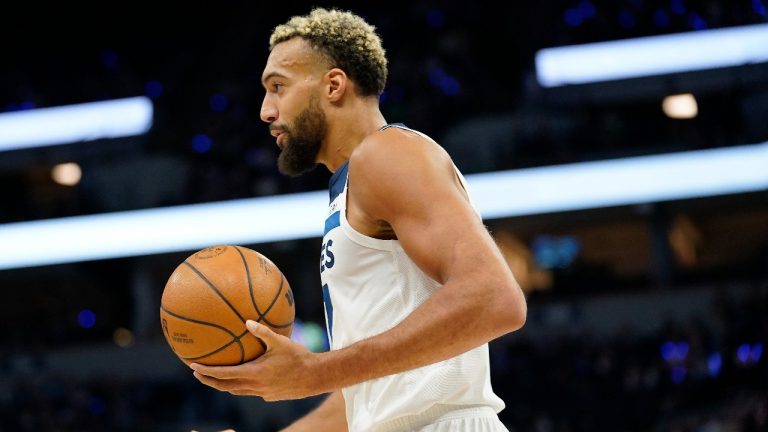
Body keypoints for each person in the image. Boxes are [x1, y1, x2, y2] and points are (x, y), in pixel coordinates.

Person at [189, 8, 527, 432]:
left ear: (333, 85)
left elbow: (495, 299)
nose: (265, 111)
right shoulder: (351, 186)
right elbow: (366, 397)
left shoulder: (386, 154)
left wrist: (314, 372)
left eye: (278, 87)